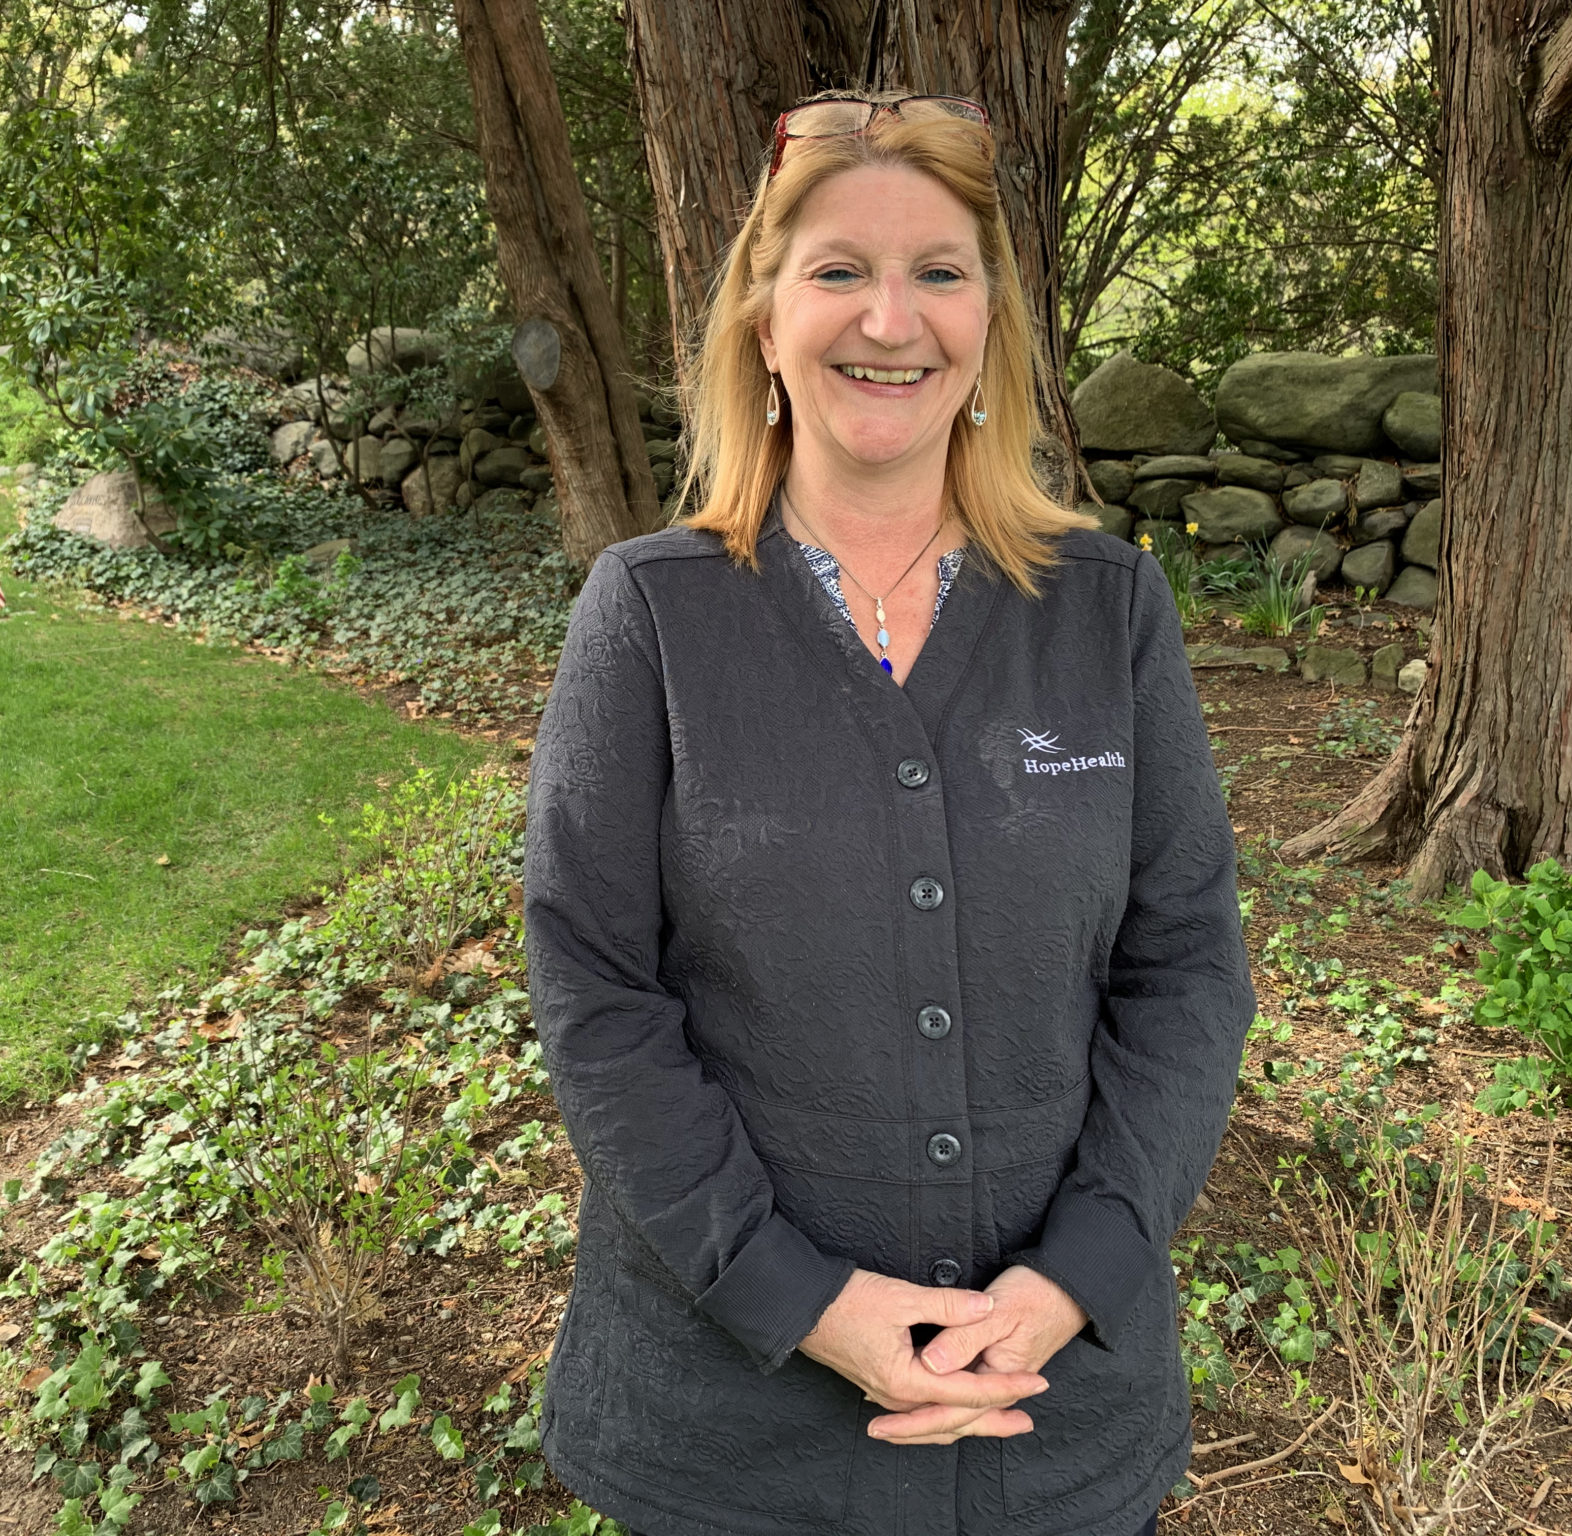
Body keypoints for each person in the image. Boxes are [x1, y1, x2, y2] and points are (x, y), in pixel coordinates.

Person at [523, 89, 1256, 1536]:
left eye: (939, 271)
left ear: (990, 324)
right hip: (730, 1441)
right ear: (764, 316)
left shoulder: (1105, 612)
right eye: (839, 270)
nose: (890, 320)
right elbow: (596, 990)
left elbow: (1186, 971)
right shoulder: (654, 617)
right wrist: (802, 1301)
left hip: (1050, 1422)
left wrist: (1074, 1280)